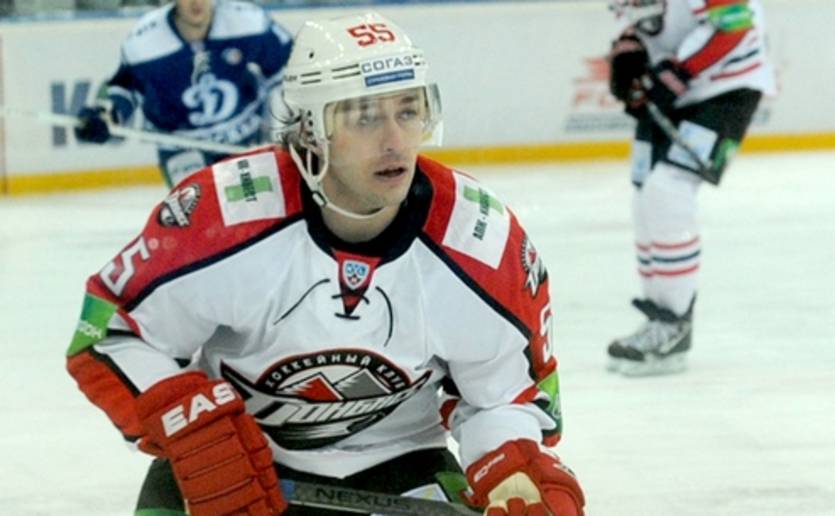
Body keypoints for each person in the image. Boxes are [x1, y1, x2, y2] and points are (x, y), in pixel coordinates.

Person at [65, 11, 585, 516]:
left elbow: (503, 396)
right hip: (235, 465)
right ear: (310, 129)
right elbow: (110, 334)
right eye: (364, 116)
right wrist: (191, 425)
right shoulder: (223, 216)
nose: (394, 140)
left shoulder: (481, 242)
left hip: (403, 464)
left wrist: (511, 463)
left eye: (408, 111)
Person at [605, 0, 776, 376]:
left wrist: (676, 73)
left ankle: (674, 322)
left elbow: (735, 25)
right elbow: (634, 19)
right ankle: (659, 320)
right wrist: (628, 52)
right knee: (645, 197)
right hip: (675, 83)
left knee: (667, 191)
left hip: (726, 87)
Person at [74, 0, 293, 188]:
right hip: (180, 147)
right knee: (201, 215)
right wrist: (104, 115)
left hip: (245, 137)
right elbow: (125, 89)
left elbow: (289, 65)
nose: (197, 2)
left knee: (256, 210)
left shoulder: (248, 22)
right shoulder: (144, 42)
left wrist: (292, 122)